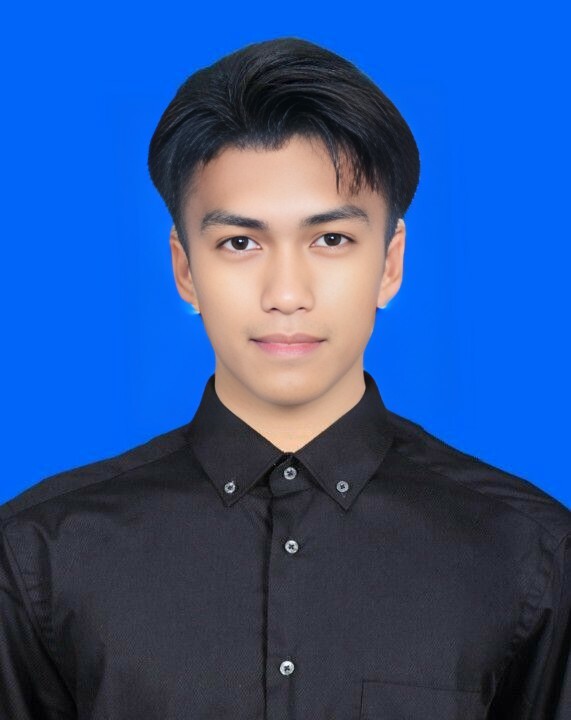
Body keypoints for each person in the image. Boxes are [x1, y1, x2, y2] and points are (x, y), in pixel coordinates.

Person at [1, 37, 569, 720]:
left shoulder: (527, 551)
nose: (287, 294)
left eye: (331, 239)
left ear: (390, 263)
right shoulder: (41, 553)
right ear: (185, 269)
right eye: (240, 243)